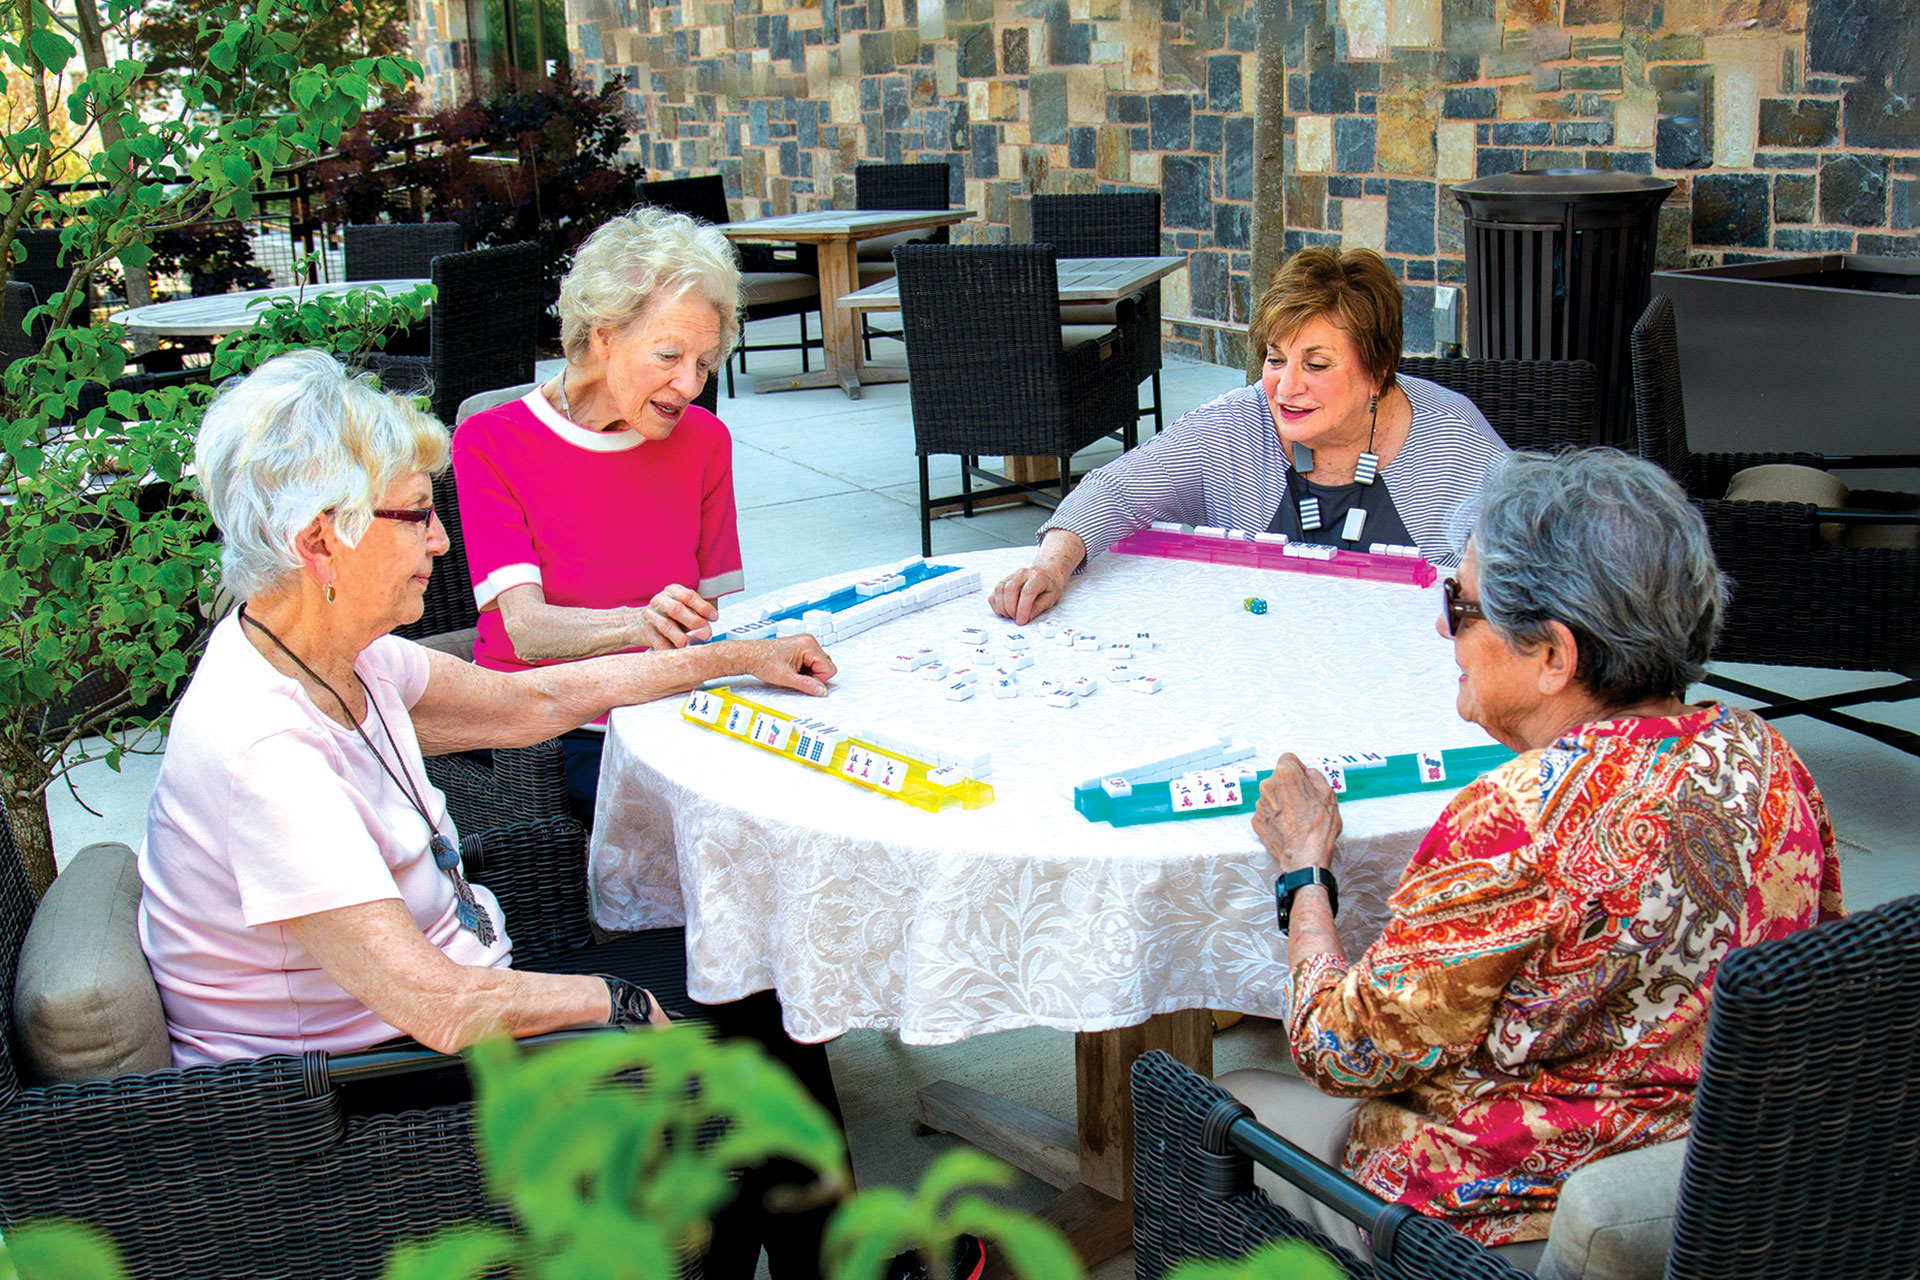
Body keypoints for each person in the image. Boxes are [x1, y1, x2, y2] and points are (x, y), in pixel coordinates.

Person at [137, 350, 844, 1279]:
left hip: (430, 1013)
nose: (441, 541)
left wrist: (734, 657)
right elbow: (443, 1006)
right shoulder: (264, 753)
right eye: (416, 513)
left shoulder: (331, 651)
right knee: (734, 1043)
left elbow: (531, 702)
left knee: (747, 977)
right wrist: (619, 1002)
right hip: (360, 1102)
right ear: (319, 543)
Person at [1219, 449, 1844, 1265]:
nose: (1443, 626)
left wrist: (1305, 873)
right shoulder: (1767, 757)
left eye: (1461, 604)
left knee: (1220, 1102)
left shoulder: (1518, 818)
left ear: (1553, 655)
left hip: (1504, 1206)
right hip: (1726, 1181)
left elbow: (1343, 1048)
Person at [990, 247, 1506, 625]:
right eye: (1275, 359)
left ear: (1377, 370)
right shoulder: (1237, 425)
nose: (1287, 386)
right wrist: (1049, 567)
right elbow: (1117, 489)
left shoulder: (1452, 439)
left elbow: (1530, 557)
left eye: (1317, 364)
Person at [453, 206, 745, 817]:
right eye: (668, 356)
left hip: (666, 715)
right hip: (548, 730)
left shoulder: (705, 441)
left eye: (703, 363)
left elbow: (702, 618)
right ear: (604, 335)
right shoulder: (491, 442)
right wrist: (639, 626)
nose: (690, 385)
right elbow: (526, 632)